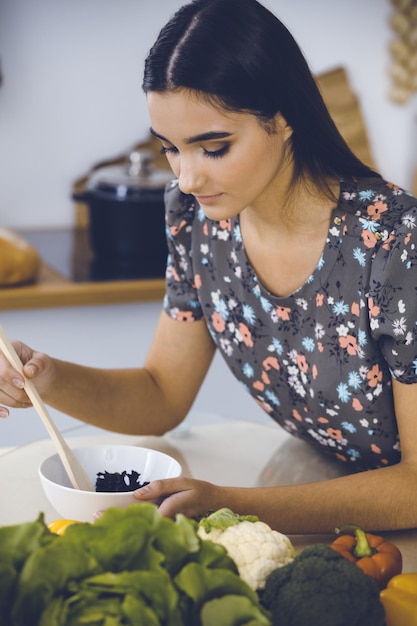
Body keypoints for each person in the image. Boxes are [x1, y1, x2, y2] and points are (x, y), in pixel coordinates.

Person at [1, 0, 417, 535]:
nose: (189, 177)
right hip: (335, 509)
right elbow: (160, 394)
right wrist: (48, 378)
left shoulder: (395, 244)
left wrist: (236, 505)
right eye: (170, 149)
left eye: (214, 147)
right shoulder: (196, 220)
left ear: (284, 116)